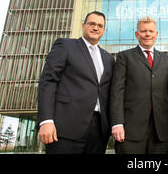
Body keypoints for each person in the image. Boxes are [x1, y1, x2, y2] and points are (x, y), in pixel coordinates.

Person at [37, 11, 114, 154]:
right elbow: (48, 81)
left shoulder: (108, 58)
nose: (95, 28)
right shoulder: (65, 46)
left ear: (103, 30)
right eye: (91, 24)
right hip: (66, 127)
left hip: (99, 131)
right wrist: (46, 120)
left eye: (100, 25)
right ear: (83, 25)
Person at [110, 16, 168, 154]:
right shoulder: (124, 57)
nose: (147, 34)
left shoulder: (167, 60)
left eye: (151, 31)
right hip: (130, 130)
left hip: (160, 130)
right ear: (136, 34)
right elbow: (117, 92)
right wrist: (117, 123)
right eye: (143, 31)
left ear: (156, 34)